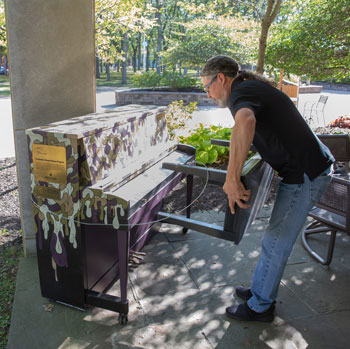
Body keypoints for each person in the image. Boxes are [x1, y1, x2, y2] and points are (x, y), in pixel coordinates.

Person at [200, 55, 334, 322]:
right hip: (308, 169)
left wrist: (231, 179)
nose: (207, 93)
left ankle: (261, 306)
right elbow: (252, 129)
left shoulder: (240, 93)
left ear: (221, 78)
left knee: (275, 242)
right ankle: (261, 287)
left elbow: (246, 122)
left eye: (207, 86)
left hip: (305, 175)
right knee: (273, 239)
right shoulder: (247, 89)